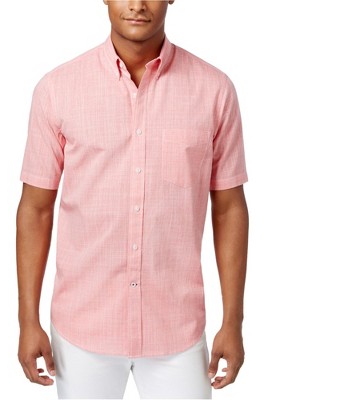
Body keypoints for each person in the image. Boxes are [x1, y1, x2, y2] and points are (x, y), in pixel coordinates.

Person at [16, 1, 249, 398]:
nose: (137, 5)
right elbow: (35, 209)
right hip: (81, 330)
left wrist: (233, 322)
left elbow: (229, 208)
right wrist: (27, 321)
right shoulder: (57, 89)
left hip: (176, 329)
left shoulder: (214, 90)